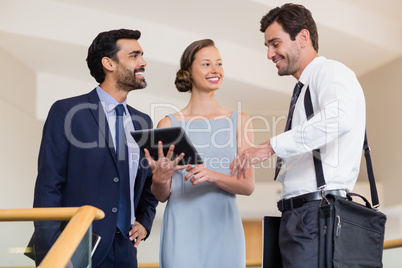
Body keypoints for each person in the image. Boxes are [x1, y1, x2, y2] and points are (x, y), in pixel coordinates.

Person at [230, 3, 366, 268]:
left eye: (275, 43)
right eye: (267, 46)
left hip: (315, 216)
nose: (269, 54)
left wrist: (269, 147)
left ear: (303, 37)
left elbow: (339, 119)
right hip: (301, 217)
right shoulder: (304, 89)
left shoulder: (331, 72)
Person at [32, 29, 158, 268]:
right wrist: (50, 256)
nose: (143, 62)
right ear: (108, 63)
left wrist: (145, 220)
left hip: (126, 251)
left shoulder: (143, 122)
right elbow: (49, 186)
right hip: (76, 248)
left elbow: (148, 184)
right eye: (134, 55)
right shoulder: (67, 112)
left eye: (142, 55)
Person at [145, 39, 255, 268]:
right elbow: (161, 195)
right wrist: (160, 177)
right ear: (189, 72)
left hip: (224, 229)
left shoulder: (240, 122)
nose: (215, 70)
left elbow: (247, 186)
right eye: (206, 64)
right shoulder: (168, 124)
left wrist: (212, 175)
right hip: (181, 228)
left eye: (219, 63)